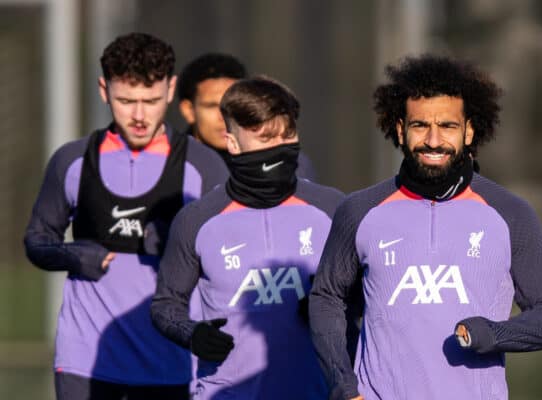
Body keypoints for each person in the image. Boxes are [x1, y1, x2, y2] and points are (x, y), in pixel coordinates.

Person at [308, 54, 542, 400]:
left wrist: (494, 333)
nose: (434, 140)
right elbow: (326, 298)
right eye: (420, 126)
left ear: (469, 131)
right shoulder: (358, 211)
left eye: (448, 126)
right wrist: (343, 386)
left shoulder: (510, 214)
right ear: (401, 129)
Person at [24, 32, 228, 400]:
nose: (138, 115)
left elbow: (232, 254)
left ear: (171, 89)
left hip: (173, 363)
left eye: (150, 101)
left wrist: (177, 244)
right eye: (125, 100)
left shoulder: (203, 166)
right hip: (85, 363)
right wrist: (74, 254)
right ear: (104, 90)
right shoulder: (72, 161)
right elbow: (37, 242)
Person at [151, 76, 343, 399]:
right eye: (266, 138)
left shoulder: (334, 209)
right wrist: (193, 334)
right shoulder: (198, 220)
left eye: (288, 135)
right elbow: (166, 305)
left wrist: (332, 307)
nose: (280, 148)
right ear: (233, 143)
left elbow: (372, 292)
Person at [177, 52, 318, 180]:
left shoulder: (291, 164)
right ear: (188, 110)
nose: (224, 117)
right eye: (212, 106)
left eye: (233, 106)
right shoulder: (169, 166)